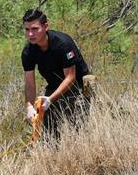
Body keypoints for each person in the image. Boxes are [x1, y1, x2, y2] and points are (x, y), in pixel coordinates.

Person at [21, 9, 90, 137]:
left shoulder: (63, 43)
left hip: (77, 86)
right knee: (48, 132)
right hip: (53, 86)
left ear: (46, 27)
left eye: (35, 29)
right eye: (27, 30)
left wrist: (50, 99)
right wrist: (29, 106)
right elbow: (30, 84)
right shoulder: (28, 52)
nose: (30, 34)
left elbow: (70, 77)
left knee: (77, 129)